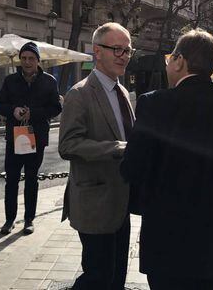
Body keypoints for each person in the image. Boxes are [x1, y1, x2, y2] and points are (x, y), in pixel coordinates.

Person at [120, 29, 213, 290]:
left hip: (166, 239)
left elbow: (132, 168)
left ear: (179, 60)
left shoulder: (153, 103)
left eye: (169, 58)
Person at [58, 22, 135, 290]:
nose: (123, 56)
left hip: (122, 200)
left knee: (116, 277)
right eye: (117, 49)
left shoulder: (123, 92)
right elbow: (68, 145)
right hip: (95, 202)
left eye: (127, 50)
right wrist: (117, 148)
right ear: (97, 52)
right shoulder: (79, 94)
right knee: (97, 277)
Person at [0, 42, 61, 235]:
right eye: (23, 58)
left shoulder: (49, 81)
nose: (27, 62)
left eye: (31, 58)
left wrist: (33, 113)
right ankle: (9, 220)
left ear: (38, 60)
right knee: (12, 179)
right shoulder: (10, 80)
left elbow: (56, 108)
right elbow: (0, 104)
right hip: (14, 137)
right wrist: (13, 110)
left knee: (32, 179)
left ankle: (29, 220)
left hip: (37, 137)